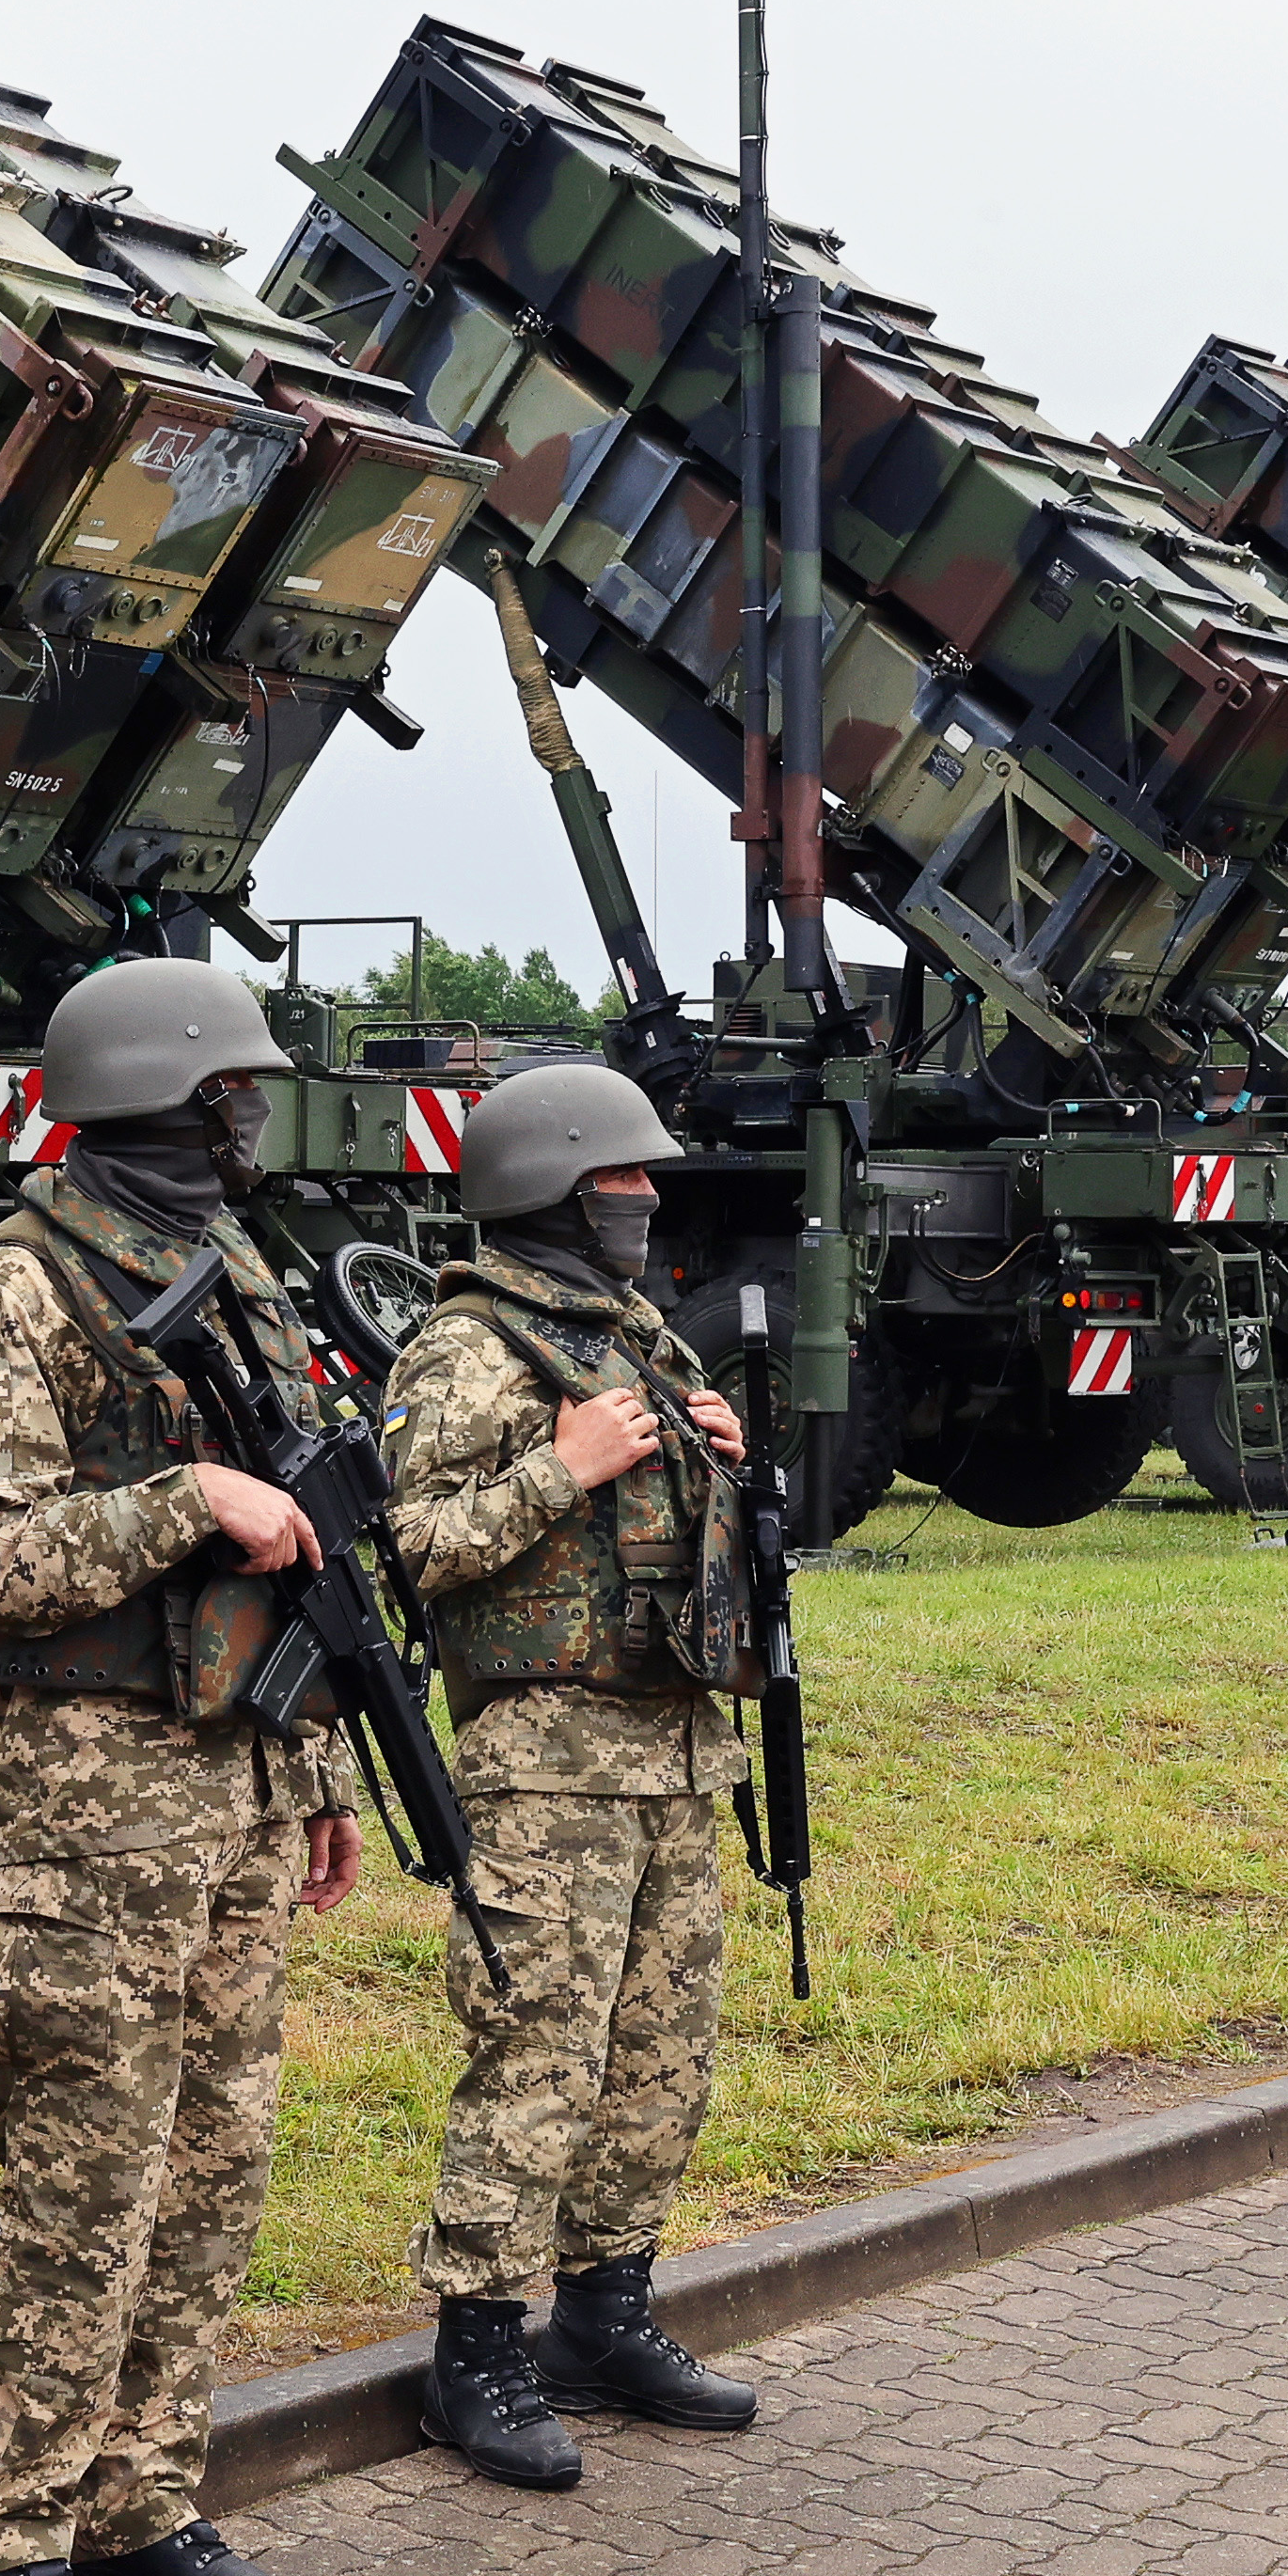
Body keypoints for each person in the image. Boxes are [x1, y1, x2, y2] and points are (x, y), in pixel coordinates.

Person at [0, 955, 359, 2576]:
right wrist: (184, 1499)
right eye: (230, 1092)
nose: (250, 1117)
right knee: (84, 2178)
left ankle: (140, 2494)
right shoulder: (8, 1292)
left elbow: (297, 1555)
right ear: (159, 1098)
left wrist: (312, 1777)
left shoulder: (225, 1267)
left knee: (211, 2167)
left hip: (239, 1781)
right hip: (94, 1809)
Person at [376, 1061, 763, 2492]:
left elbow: (681, 1530)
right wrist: (564, 1467)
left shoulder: (636, 1333)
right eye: (623, 1180)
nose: (647, 1201)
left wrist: (719, 1452)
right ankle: (474, 2353)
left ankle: (605, 2320)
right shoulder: (465, 1350)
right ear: (552, 1187)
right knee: (536, 2061)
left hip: (670, 1755)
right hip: (542, 1768)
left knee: (662, 2060)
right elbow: (412, 1547)